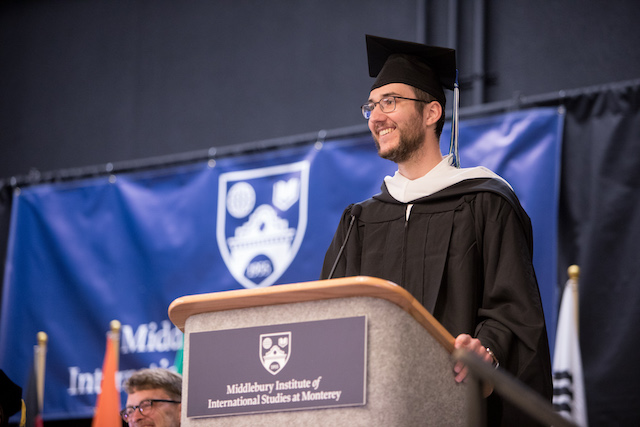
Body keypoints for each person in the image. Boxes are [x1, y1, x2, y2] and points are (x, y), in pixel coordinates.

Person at [321, 35, 552, 426]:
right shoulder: (359, 221)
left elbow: (514, 310)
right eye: (371, 107)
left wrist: (488, 352)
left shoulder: (485, 202)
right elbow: (329, 319)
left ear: (431, 112)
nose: (376, 117)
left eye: (390, 102)